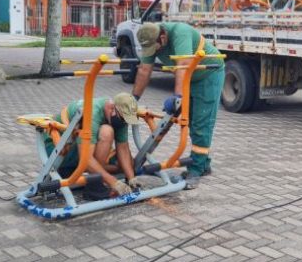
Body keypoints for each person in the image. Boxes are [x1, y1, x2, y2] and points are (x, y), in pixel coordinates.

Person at [131, 22, 225, 185]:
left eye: (156, 48)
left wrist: (178, 97)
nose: (156, 52)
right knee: (191, 122)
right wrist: (133, 99)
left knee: (201, 123)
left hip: (208, 74)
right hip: (190, 78)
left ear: (163, 36)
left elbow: (183, 65)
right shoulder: (151, 39)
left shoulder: (180, 32)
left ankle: (195, 170)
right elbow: (144, 70)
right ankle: (203, 163)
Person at [45, 93, 140, 198]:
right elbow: (86, 158)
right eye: (123, 119)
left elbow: (123, 148)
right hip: (57, 150)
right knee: (107, 131)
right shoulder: (92, 114)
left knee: (123, 164)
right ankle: (94, 186)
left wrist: (132, 178)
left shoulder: (120, 117)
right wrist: (113, 182)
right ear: (112, 108)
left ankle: (71, 172)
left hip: (77, 146)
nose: (124, 123)